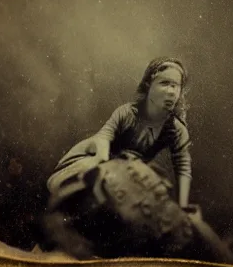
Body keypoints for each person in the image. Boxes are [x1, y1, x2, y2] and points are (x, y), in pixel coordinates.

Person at [53, 57, 193, 208]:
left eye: (176, 86)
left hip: (128, 173)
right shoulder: (127, 113)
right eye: (164, 83)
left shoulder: (177, 129)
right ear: (148, 85)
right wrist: (103, 165)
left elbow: (183, 167)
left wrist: (183, 206)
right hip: (97, 158)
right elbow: (102, 138)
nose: (171, 92)